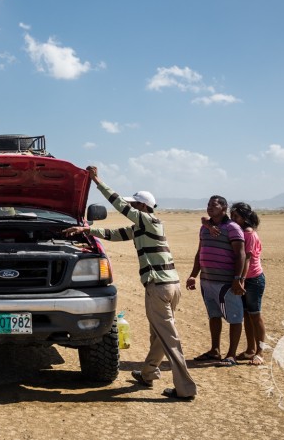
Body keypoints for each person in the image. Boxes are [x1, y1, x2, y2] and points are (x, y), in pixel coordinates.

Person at [64, 166, 197, 401]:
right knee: (159, 335)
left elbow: (119, 205)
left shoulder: (146, 220)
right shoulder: (145, 227)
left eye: (135, 206)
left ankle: (185, 388)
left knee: (169, 339)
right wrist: (87, 229)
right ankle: (147, 374)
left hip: (158, 287)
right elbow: (114, 233)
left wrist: (97, 180)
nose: (132, 209)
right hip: (171, 286)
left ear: (143, 207)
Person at [186, 195, 246, 368]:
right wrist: (193, 275)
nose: (210, 208)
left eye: (214, 205)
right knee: (214, 316)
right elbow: (200, 252)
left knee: (235, 318)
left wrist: (237, 279)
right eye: (208, 205)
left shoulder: (232, 228)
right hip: (207, 280)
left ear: (224, 207)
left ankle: (231, 355)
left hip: (226, 282)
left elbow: (240, 254)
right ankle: (215, 350)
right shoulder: (205, 228)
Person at [231, 202, 266, 365]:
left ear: (244, 218)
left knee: (255, 315)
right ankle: (250, 349)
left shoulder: (249, 234)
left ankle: (260, 352)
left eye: (236, 216)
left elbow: (247, 258)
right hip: (243, 279)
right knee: (246, 314)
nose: (233, 219)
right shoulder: (240, 232)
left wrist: (241, 280)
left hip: (252, 279)